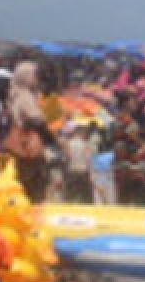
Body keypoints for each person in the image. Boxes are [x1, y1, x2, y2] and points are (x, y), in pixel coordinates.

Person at [7, 60, 57, 203]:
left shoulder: (12, 94)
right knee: (36, 188)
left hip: (17, 147)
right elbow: (36, 120)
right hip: (29, 148)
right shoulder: (25, 96)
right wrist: (50, 139)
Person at [63, 124, 96, 204]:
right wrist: (91, 175)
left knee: (70, 197)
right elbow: (88, 160)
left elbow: (67, 158)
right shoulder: (85, 144)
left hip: (72, 172)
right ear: (82, 133)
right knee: (86, 198)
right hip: (83, 172)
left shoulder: (68, 144)